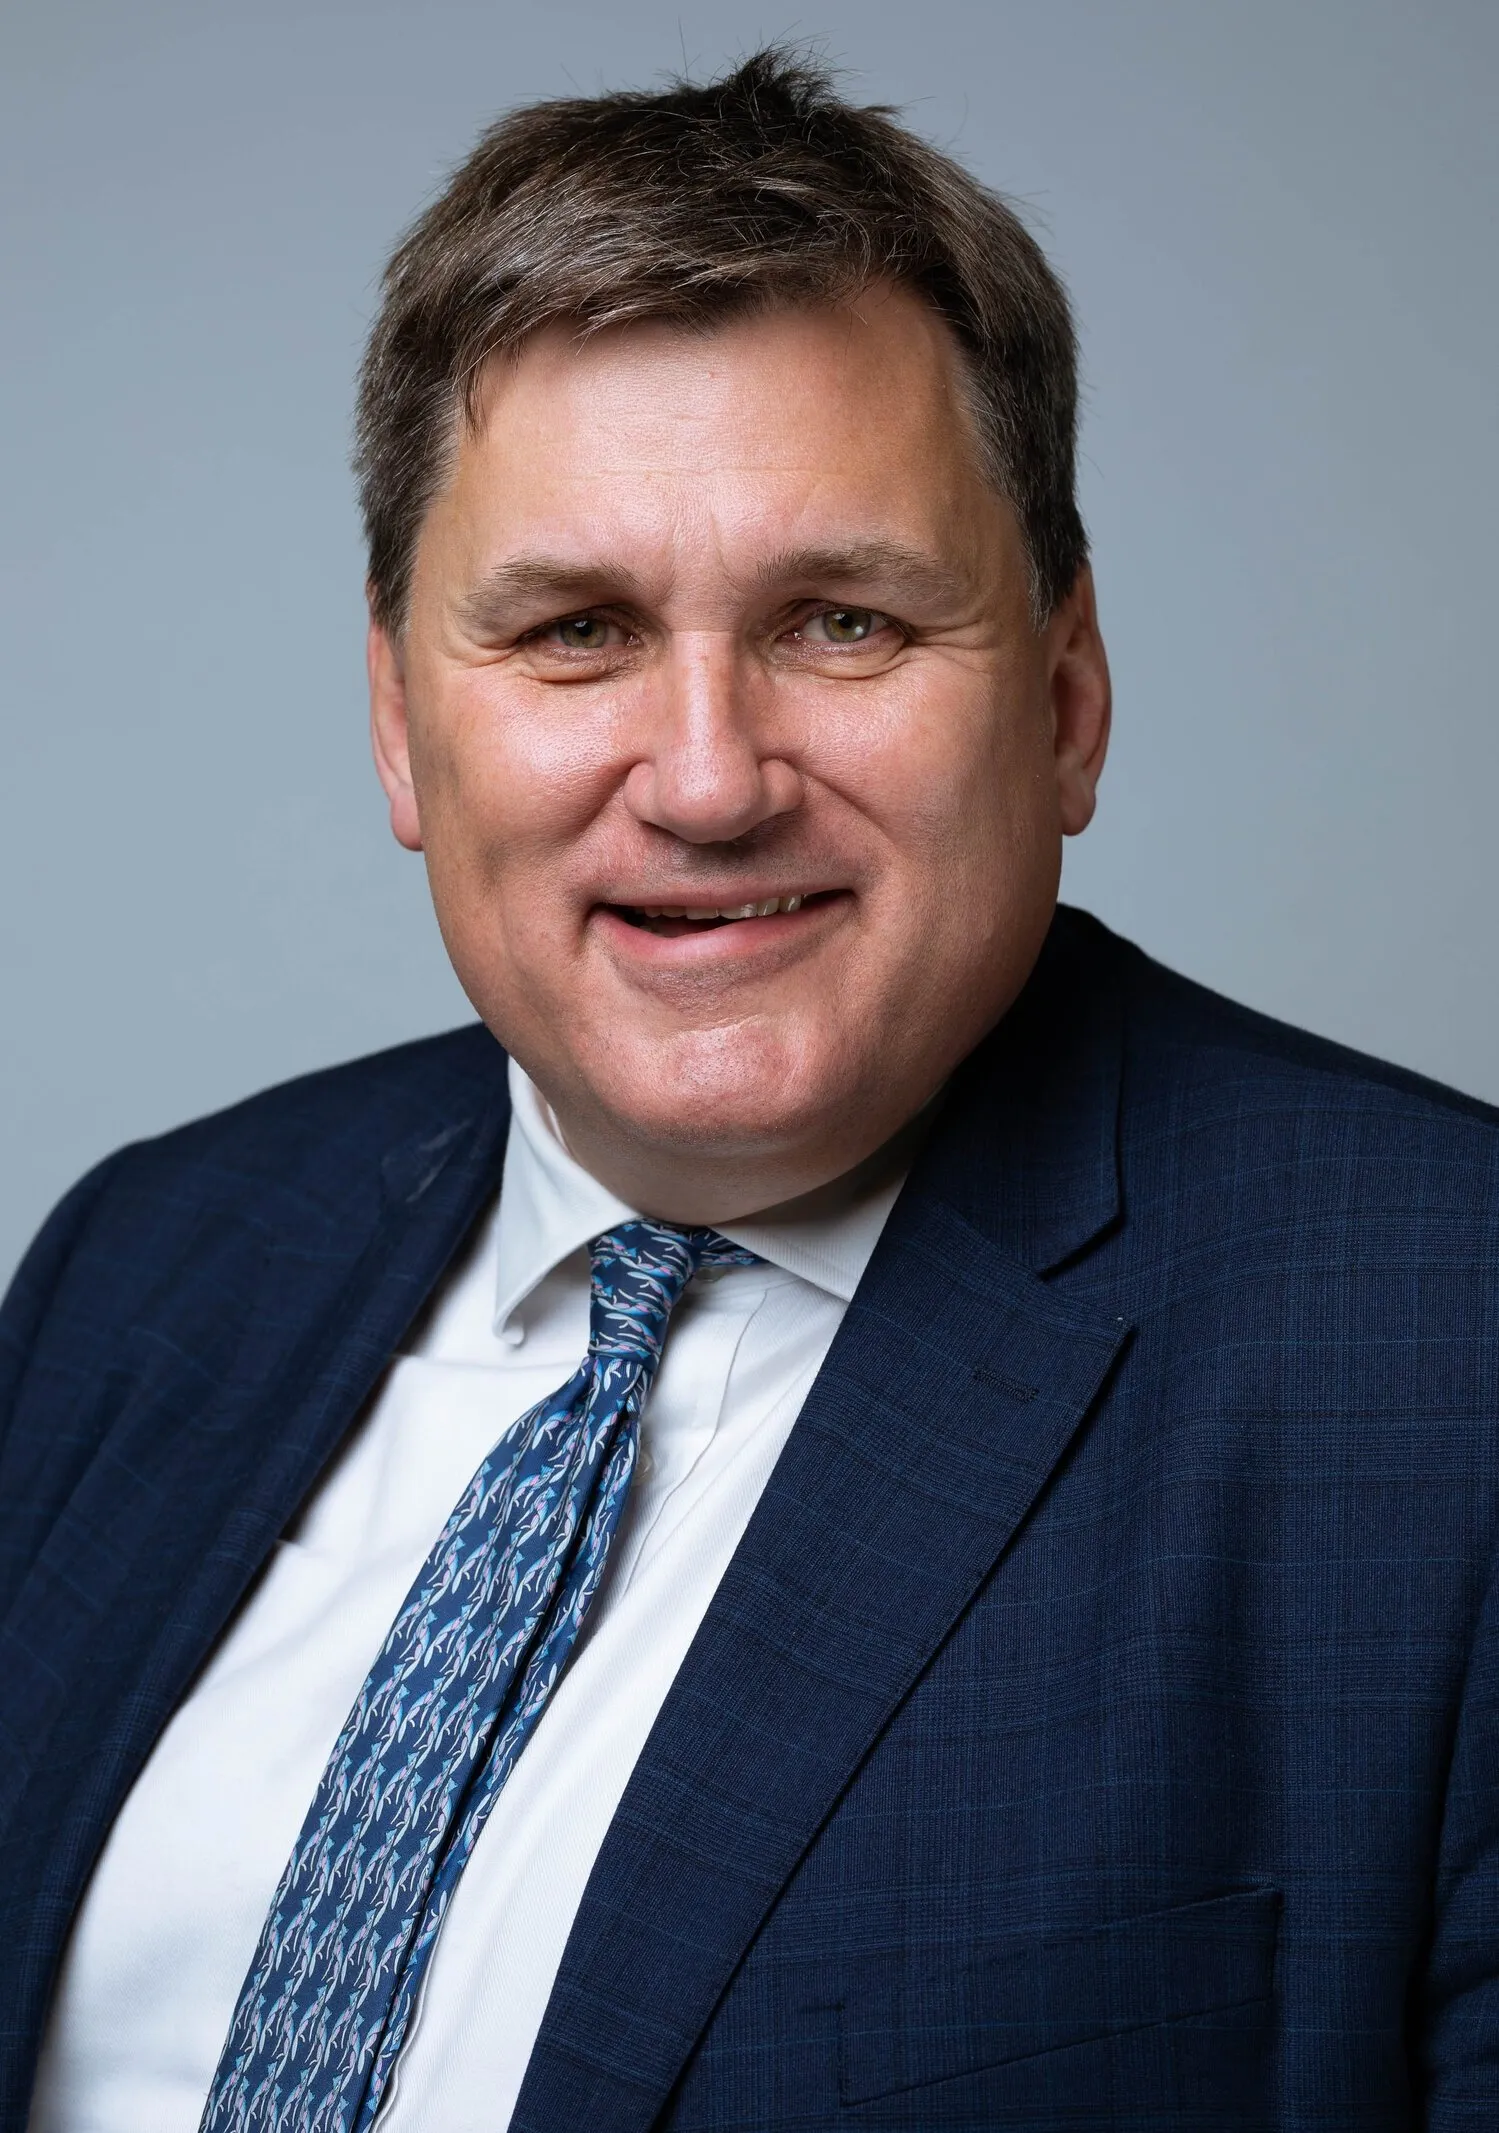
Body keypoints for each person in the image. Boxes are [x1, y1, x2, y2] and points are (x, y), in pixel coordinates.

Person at [2, 46, 1496, 2132]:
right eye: (575, 630)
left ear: (1065, 698)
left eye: (842, 621)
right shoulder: (142, 1269)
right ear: (401, 724)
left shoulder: (1440, 1361)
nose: (707, 780)